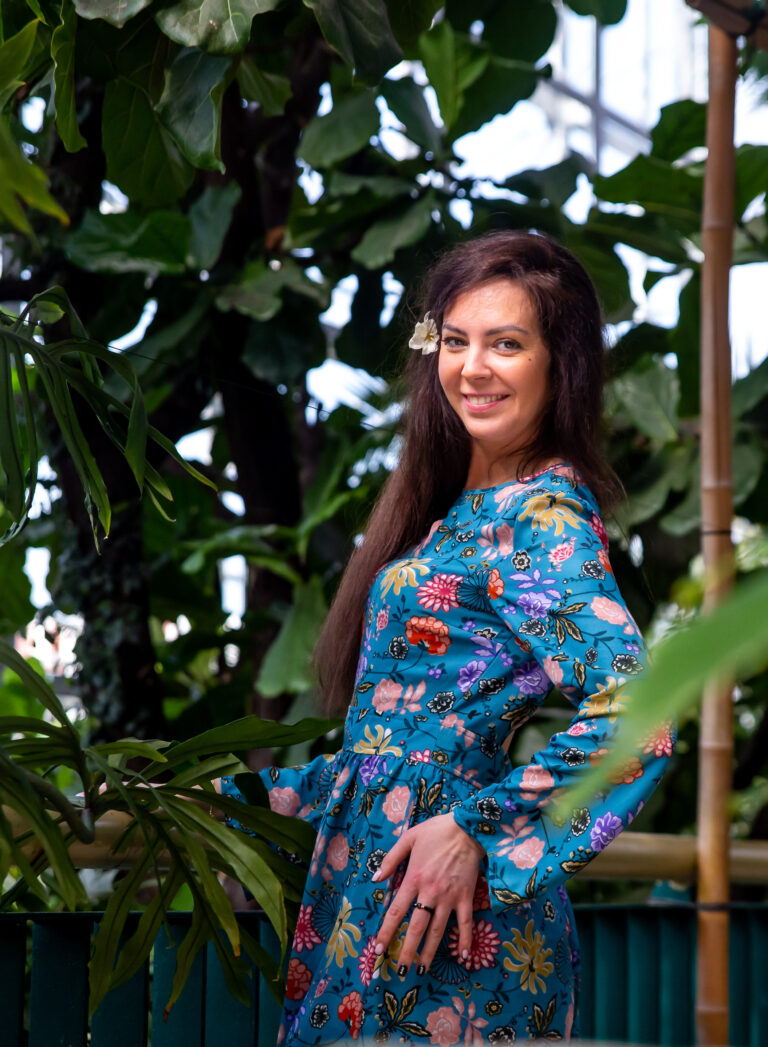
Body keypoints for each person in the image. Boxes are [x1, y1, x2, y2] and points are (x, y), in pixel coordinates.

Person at [220, 230, 673, 1044]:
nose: (472, 367)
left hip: (451, 928)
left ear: (560, 364)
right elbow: (390, 755)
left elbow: (639, 715)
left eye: (507, 344)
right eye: (456, 340)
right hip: (382, 898)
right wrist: (224, 804)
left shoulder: (539, 516)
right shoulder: (452, 517)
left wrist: (475, 830)